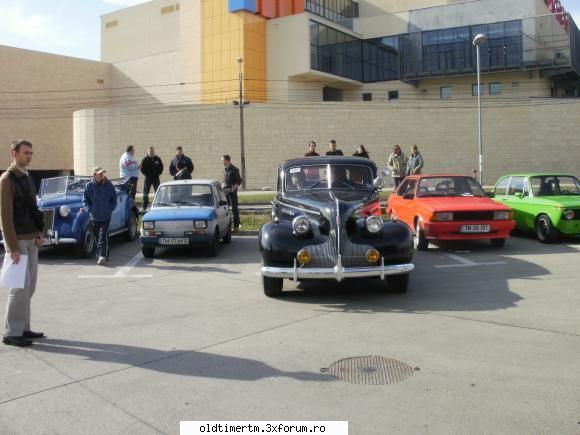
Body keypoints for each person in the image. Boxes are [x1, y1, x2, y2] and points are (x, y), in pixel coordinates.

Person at [0, 139, 45, 347]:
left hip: (31, 239)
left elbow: (34, 210)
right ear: (14, 153)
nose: (29, 156)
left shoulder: (28, 177)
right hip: (18, 241)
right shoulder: (7, 179)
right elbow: (5, 217)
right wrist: (12, 247)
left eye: (31, 153)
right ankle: (11, 332)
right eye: (26, 152)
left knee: (30, 288)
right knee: (19, 288)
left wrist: (39, 232)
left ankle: (24, 328)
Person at [83, 166, 117, 266]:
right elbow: (85, 200)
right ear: (94, 175)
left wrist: (110, 208)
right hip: (95, 216)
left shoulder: (109, 185)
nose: (102, 175)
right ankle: (105, 254)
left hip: (106, 215)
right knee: (99, 237)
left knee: (102, 236)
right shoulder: (89, 186)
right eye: (100, 173)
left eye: (103, 173)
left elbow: (114, 198)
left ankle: (102, 256)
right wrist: (90, 210)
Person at [140, 146, 163, 211]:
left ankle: (159, 205)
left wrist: (158, 173)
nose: (151, 152)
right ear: (148, 152)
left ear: (154, 151)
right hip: (148, 179)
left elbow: (161, 167)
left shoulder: (158, 159)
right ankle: (144, 207)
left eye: (152, 151)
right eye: (150, 151)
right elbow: (142, 168)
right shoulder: (145, 159)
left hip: (156, 178)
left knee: (158, 192)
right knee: (145, 193)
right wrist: (146, 174)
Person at [222, 155, 242, 230]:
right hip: (225, 192)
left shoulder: (235, 169)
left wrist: (234, 188)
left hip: (232, 192)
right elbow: (224, 180)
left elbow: (239, 180)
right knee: (225, 209)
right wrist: (222, 184)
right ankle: (227, 226)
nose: (222, 162)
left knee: (234, 208)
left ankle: (236, 226)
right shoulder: (224, 170)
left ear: (227, 160)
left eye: (223, 160)